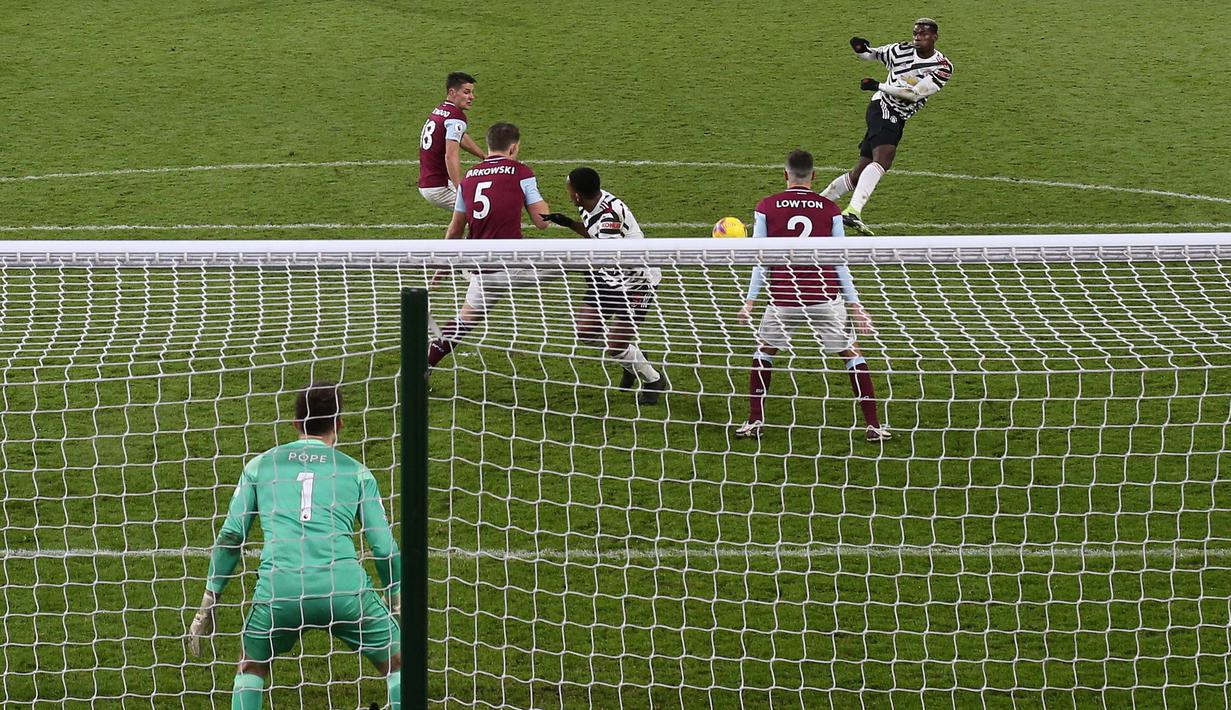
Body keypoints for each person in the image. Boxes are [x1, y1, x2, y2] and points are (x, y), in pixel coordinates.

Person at [186, 382, 402, 710]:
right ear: (339, 423)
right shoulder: (358, 473)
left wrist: (208, 603)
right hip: (342, 590)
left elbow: (231, 537)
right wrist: (397, 603)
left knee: (252, 666)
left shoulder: (259, 466)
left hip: (279, 591)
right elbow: (384, 547)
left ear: (296, 424)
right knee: (400, 664)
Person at [735, 150, 890, 441]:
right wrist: (856, 307)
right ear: (814, 176)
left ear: (785, 174)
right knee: (851, 354)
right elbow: (839, 261)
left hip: (784, 298)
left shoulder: (766, 207)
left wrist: (750, 301)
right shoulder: (829, 209)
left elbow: (761, 259)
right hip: (824, 296)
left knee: (764, 351)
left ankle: (755, 421)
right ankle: (873, 426)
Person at [428, 122, 551, 368]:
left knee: (463, 323)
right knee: (583, 261)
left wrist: (440, 269)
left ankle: (419, 366)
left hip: (482, 270)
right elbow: (541, 222)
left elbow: (455, 229)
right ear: (514, 147)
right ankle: (621, 335)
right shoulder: (522, 172)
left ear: (488, 145)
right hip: (511, 266)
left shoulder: (468, 178)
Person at [543, 167, 666, 405]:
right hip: (610, 277)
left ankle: (654, 379)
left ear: (577, 194)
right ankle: (632, 356)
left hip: (637, 283)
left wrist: (572, 264)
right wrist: (569, 223)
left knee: (615, 345)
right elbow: (593, 235)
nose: (567, 191)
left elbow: (605, 255)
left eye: (569, 187)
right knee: (585, 330)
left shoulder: (610, 216)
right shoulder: (589, 202)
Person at [820, 18, 954, 235]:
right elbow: (871, 54)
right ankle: (853, 211)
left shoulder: (942, 67)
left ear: (935, 37)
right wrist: (859, 49)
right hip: (882, 107)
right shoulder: (900, 50)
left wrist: (878, 85)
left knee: (860, 172)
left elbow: (914, 94)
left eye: (923, 34)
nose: (917, 37)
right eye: (915, 33)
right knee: (884, 158)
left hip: (899, 114)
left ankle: (816, 204)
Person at [418, 71, 485, 210]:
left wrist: (484, 156)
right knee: (482, 211)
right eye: (466, 92)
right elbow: (451, 155)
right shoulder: (456, 116)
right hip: (438, 186)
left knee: (468, 218)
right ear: (452, 92)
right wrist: (459, 188)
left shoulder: (441, 110)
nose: (472, 97)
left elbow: (460, 137)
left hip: (430, 181)